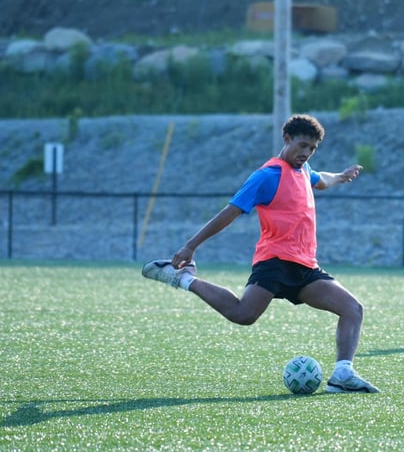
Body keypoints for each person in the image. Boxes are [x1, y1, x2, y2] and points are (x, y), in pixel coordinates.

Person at [142, 113, 379, 393]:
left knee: (352, 309)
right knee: (243, 314)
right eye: (302, 145)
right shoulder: (267, 176)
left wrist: (340, 176)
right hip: (275, 261)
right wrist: (191, 246)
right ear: (287, 139)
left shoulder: (303, 171)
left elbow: (320, 179)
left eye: (312, 148)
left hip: (305, 266)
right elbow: (230, 213)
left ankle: (342, 374)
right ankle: (183, 278)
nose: (306, 153)